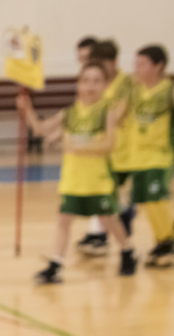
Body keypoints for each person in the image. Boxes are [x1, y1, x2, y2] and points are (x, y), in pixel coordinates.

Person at [18, 61, 137, 283]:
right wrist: (28, 110)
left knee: (109, 220)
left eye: (97, 81)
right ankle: (56, 264)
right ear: (78, 84)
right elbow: (40, 129)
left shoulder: (107, 112)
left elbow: (109, 145)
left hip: (98, 181)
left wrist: (80, 149)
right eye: (86, 81)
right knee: (64, 221)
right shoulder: (69, 113)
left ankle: (127, 251)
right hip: (72, 180)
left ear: (104, 85)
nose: (91, 86)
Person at [111, 44, 174, 268]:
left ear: (158, 66)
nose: (136, 68)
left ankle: (166, 242)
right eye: (136, 63)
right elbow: (116, 116)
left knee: (157, 197)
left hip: (161, 156)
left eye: (142, 64)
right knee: (146, 201)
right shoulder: (133, 90)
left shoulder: (172, 91)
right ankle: (166, 236)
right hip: (136, 157)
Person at [76, 39, 133, 257]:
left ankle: (112, 237)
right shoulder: (98, 84)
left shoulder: (126, 83)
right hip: (103, 152)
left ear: (113, 61)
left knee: (118, 201)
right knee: (103, 196)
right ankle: (101, 236)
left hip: (125, 151)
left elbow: (119, 113)